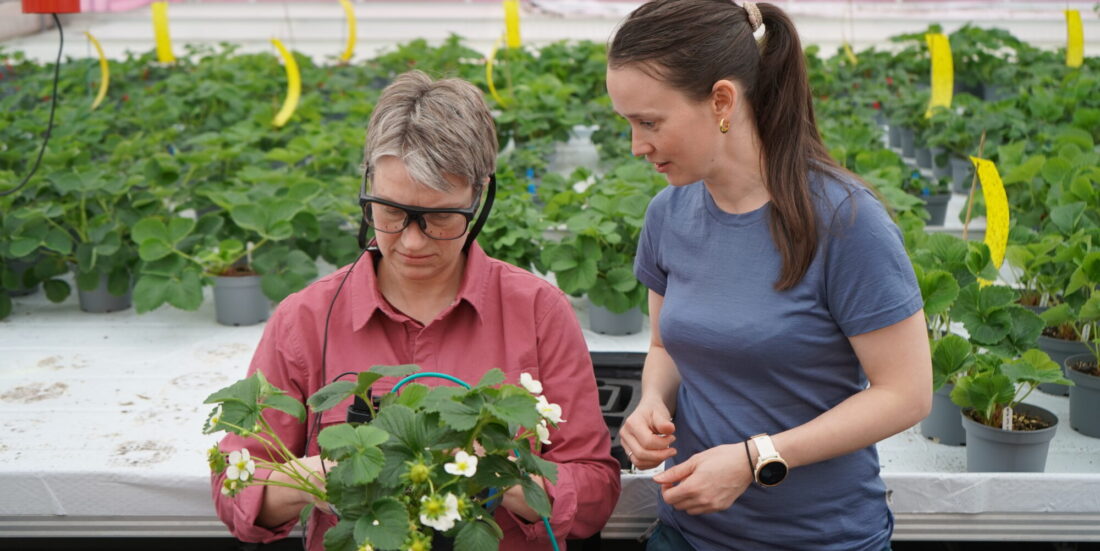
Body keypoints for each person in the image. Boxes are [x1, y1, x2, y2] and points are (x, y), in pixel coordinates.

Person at [212, 71, 621, 550]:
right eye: (390, 211)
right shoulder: (306, 318)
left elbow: (595, 491)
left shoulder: (536, 310)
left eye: (440, 217)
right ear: (367, 185)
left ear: (480, 197)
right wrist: (311, 478)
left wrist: (502, 477)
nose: (410, 241)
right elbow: (232, 485)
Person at [605, 1, 932, 550]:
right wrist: (651, 402)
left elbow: (906, 393)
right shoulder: (668, 215)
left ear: (722, 101)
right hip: (687, 535)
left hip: (819, 539)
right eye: (629, 124)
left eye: (649, 122)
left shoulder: (846, 222)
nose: (637, 145)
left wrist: (757, 458)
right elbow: (665, 344)